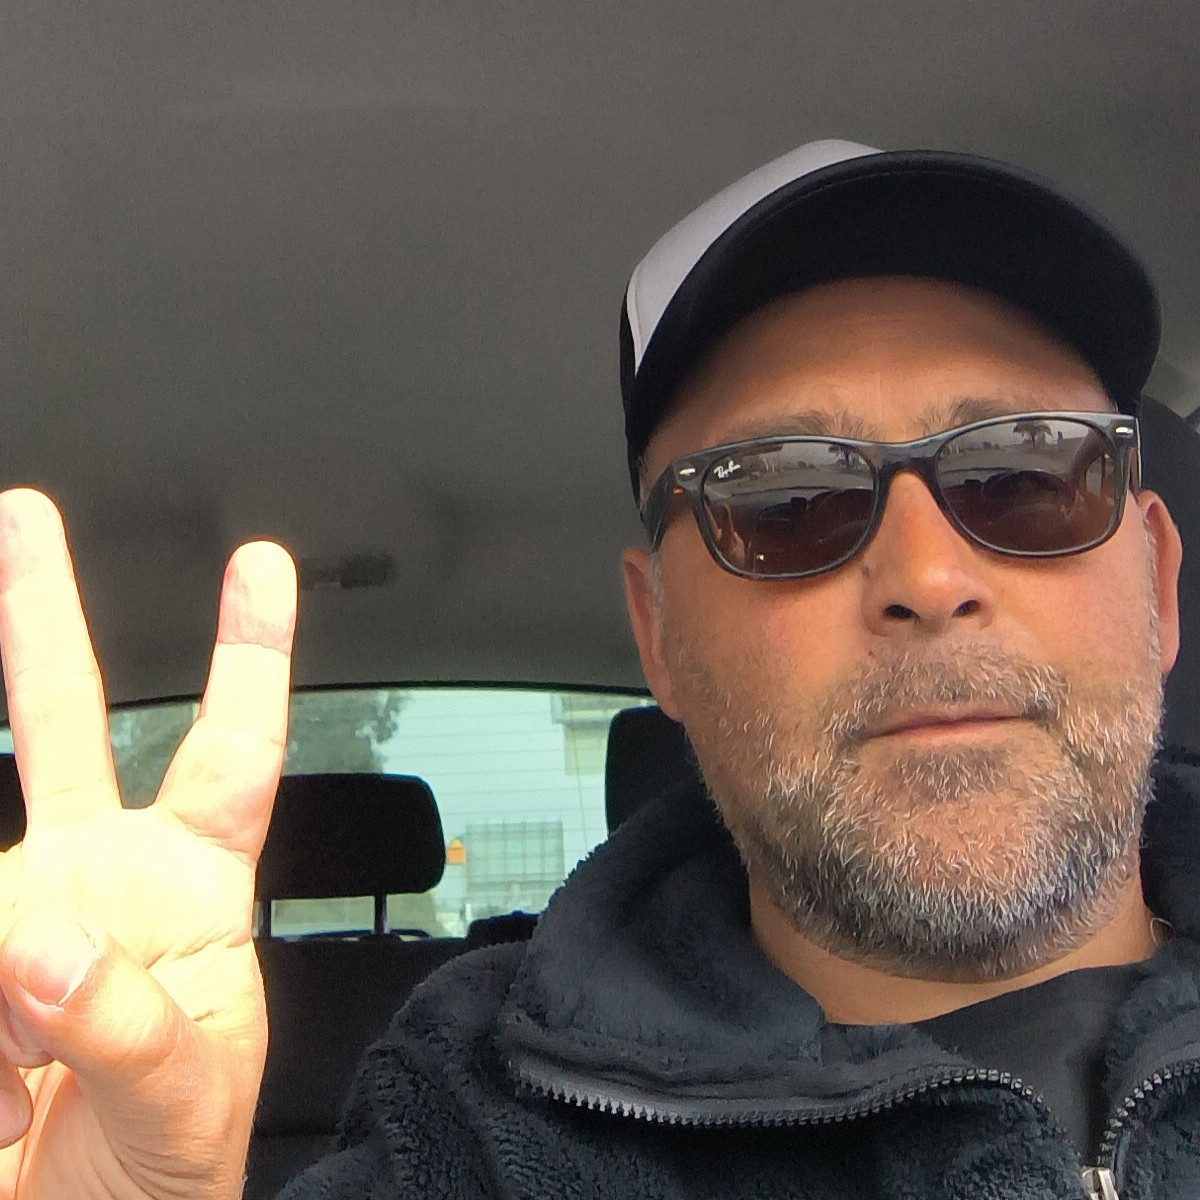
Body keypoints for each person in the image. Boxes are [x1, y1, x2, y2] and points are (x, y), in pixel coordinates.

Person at [0, 138, 1193, 1200]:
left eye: (1025, 474)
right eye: (789, 498)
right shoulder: (465, 1145)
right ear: (659, 636)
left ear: (1154, 580)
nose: (928, 576)